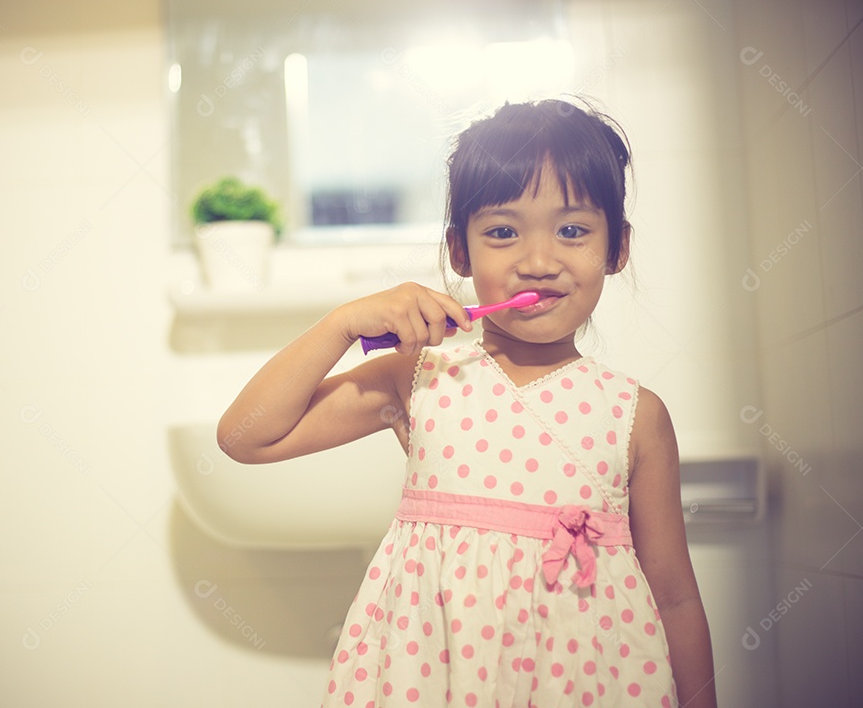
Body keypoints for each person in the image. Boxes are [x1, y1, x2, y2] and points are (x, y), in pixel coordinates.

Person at [218, 99, 717, 707]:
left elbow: (675, 600)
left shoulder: (636, 415)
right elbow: (247, 437)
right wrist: (342, 323)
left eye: (573, 230)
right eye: (502, 232)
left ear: (617, 250)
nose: (537, 262)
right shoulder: (421, 376)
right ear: (460, 251)